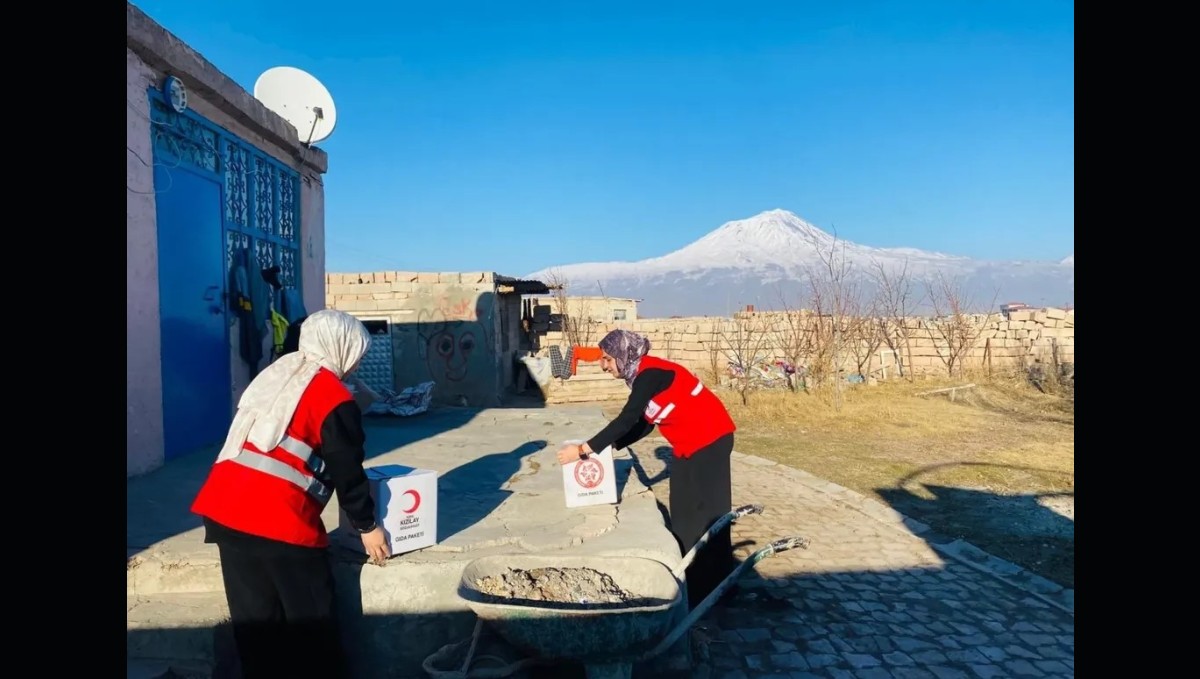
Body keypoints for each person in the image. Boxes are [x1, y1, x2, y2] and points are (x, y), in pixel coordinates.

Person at [190, 309, 391, 678]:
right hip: (277, 523)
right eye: (358, 354)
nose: (358, 364)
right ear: (340, 347)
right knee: (314, 633)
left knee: (257, 631)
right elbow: (348, 470)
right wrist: (367, 526)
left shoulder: (278, 375)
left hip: (224, 510)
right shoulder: (333, 396)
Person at [555, 329, 738, 609]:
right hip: (688, 445)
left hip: (712, 440)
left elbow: (627, 418)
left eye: (606, 359)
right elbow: (645, 422)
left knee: (710, 514)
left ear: (623, 354)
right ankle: (692, 579)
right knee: (683, 515)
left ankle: (720, 583)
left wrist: (584, 450)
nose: (604, 366)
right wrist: (612, 446)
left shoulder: (650, 374)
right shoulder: (639, 377)